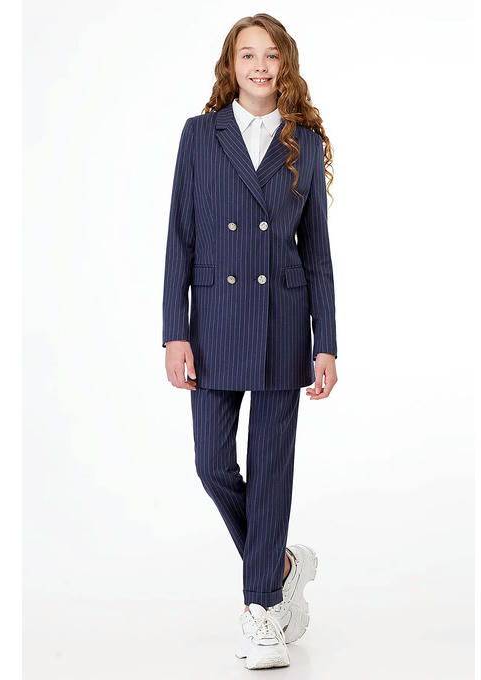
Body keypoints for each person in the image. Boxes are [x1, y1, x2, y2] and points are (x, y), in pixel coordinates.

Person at [162, 13, 338, 670]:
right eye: (247, 55)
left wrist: (327, 341)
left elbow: (317, 252)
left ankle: (261, 611)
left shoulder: (303, 140)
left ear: (285, 64)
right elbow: (179, 238)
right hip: (213, 322)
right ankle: (281, 563)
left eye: (271, 55)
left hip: (283, 321)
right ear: (230, 65)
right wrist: (174, 332)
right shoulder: (199, 135)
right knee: (213, 464)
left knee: (270, 470)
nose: (260, 67)